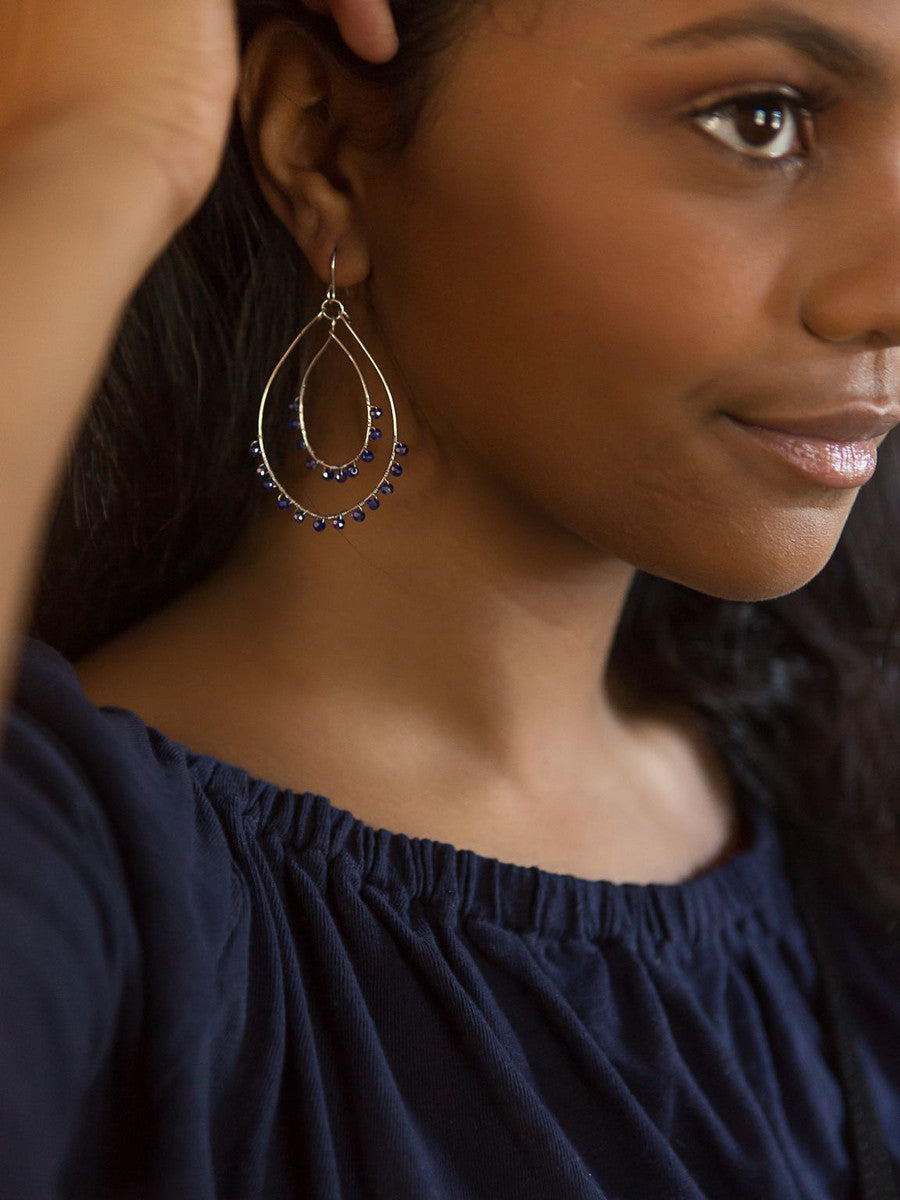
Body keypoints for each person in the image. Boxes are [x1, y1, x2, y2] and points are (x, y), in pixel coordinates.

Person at [2, 0, 900, 1196]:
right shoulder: (99, 900)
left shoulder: (843, 803)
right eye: (759, 120)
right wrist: (92, 136)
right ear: (318, 143)